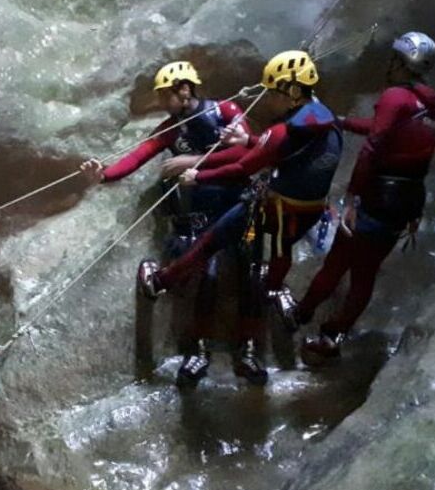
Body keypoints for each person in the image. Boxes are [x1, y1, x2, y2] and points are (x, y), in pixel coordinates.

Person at [137, 50, 344, 384]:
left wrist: (197, 174)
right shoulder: (331, 124)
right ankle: (249, 351)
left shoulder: (279, 132)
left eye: (274, 92)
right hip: (297, 216)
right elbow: (274, 152)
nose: (270, 101)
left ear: (291, 91)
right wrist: (247, 140)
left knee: (209, 249)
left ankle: (162, 283)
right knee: (252, 274)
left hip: (260, 212)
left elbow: (245, 165)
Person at [81, 60, 255, 386]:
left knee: (250, 273)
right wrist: (103, 175)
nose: (162, 102)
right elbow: (138, 156)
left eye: (165, 95)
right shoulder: (171, 129)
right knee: (208, 276)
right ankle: (197, 351)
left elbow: (252, 152)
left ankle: (246, 351)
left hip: (238, 206)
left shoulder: (226, 111)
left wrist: (193, 161)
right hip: (203, 214)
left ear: (184, 89)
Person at [287, 32, 435, 361]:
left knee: (337, 263)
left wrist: (352, 197)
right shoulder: (429, 108)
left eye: (394, 59)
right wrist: (341, 121)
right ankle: (332, 336)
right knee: (365, 274)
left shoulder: (396, 96)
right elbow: (385, 131)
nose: (389, 65)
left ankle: (299, 315)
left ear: (401, 63)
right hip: (405, 201)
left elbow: (374, 146)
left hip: (377, 197)